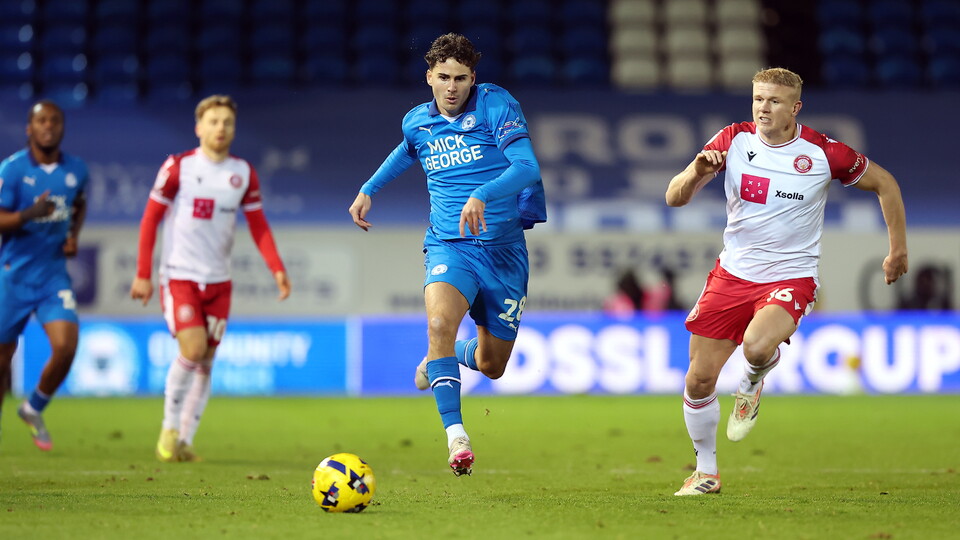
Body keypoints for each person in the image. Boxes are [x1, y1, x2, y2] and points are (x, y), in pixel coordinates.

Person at [665, 68, 908, 496]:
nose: (763, 108)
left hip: (791, 275)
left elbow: (885, 183)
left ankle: (753, 378)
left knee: (757, 346)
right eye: (758, 99)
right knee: (698, 380)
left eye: (774, 101)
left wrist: (898, 250)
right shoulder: (732, 140)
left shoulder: (823, 152)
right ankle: (705, 473)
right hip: (732, 274)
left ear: (795, 107)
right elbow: (674, 198)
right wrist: (696, 171)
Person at [348, 33, 547, 476]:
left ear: (473, 78)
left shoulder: (496, 106)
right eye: (443, 78)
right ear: (429, 78)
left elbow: (527, 167)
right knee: (438, 323)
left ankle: (441, 356)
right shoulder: (417, 122)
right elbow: (407, 151)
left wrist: (482, 193)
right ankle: (456, 437)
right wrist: (368, 189)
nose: (451, 87)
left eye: (460, 78)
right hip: (449, 244)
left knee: (492, 365)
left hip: (503, 252)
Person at [130, 95, 291, 463]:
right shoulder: (179, 167)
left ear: (234, 130)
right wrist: (142, 274)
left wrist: (277, 269)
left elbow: (258, 225)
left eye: (227, 122)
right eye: (214, 121)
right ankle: (169, 428)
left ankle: (185, 440)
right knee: (192, 350)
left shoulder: (243, 173)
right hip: (180, 276)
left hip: (219, 282)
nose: (221, 128)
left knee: (206, 361)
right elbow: (151, 219)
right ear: (199, 128)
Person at [0, 100, 88, 451]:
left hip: (53, 276)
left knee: (66, 346)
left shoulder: (77, 169)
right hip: (14, 277)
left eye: (55, 120)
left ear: (62, 127)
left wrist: (73, 236)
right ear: (29, 128)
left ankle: (33, 407)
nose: (48, 126)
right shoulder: (13, 169)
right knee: (1, 360)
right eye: (41, 121)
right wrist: (28, 214)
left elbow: (79, 204)